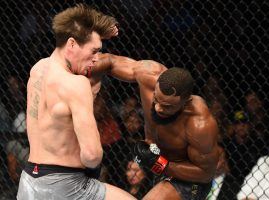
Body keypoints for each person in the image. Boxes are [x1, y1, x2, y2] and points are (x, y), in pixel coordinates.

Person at [17, 4, 136, 200]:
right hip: (64, 186)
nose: (96, 59)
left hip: (29, 182)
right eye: (94, 51)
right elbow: (92, 155)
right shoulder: (76, 84)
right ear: (72, 44)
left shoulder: (38, 69)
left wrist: (96, 32)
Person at [96, 55, 220, 200]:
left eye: (167, 106)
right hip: (159, 166)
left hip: (189, 181)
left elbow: (205, 174)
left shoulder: (199, 124)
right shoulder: (148, 75)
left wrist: (159, 164)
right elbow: (109, 61)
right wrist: (80, 70)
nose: (158, 108)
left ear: (185, 101)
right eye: (156, 99)